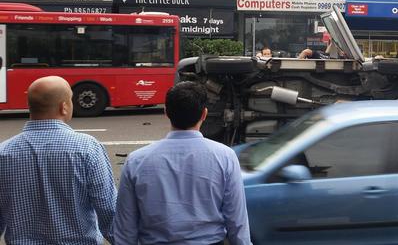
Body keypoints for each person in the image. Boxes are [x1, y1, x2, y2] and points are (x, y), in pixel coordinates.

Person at [114, 81, 251, 245]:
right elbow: (237, 220)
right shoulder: (225, 156)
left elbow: (125, 228)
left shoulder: (137, 160)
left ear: (166, 112)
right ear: (204, 114)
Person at [0, 76, 116, 244]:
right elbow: (107, 208)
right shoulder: (87, 147)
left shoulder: (4, 152)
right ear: (64, 107)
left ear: (30, 106)